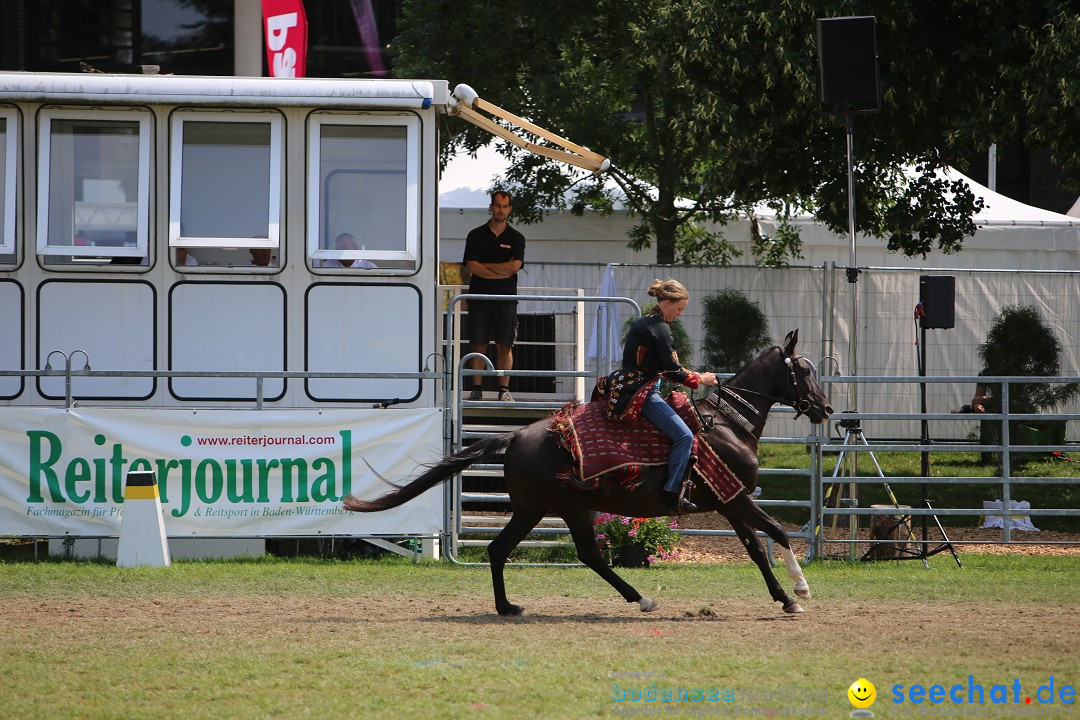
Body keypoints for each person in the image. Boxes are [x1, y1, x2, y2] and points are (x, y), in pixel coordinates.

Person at [607, 278, 718, 513]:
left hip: (633, 384)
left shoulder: (646, 323)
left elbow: (663, 367)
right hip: (642, 391)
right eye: (679, 308)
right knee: (685, 436)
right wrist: (701, 379)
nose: (679, 314)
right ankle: (672, 492)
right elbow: (673, 370)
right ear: (666, 303)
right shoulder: (660, 329)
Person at [463, 191, 525, 402]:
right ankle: (476, 388)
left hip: (506, 299)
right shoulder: (475, 235)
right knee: (478, 344)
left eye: (504, 206)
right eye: (497, 205)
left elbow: (515, 266)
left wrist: (485, 266)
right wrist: (501, 270)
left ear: (510, 209)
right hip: (479, 298)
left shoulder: (516, 237)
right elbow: (472, 267)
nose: (500, 210)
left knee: (504, 345)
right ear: (491, 207)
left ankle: (504, 390)